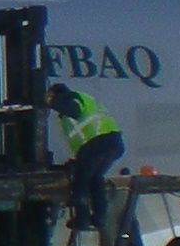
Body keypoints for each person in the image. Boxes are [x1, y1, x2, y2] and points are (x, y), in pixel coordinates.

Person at [48, 81, 126, 233]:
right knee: (95, 179)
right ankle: (99, 218)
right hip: (112, 143)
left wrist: (51, 102)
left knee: (80, 183)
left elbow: (74, 109)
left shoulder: (72, 97)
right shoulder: (84, 101)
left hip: (97, 144)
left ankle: (82, 219)